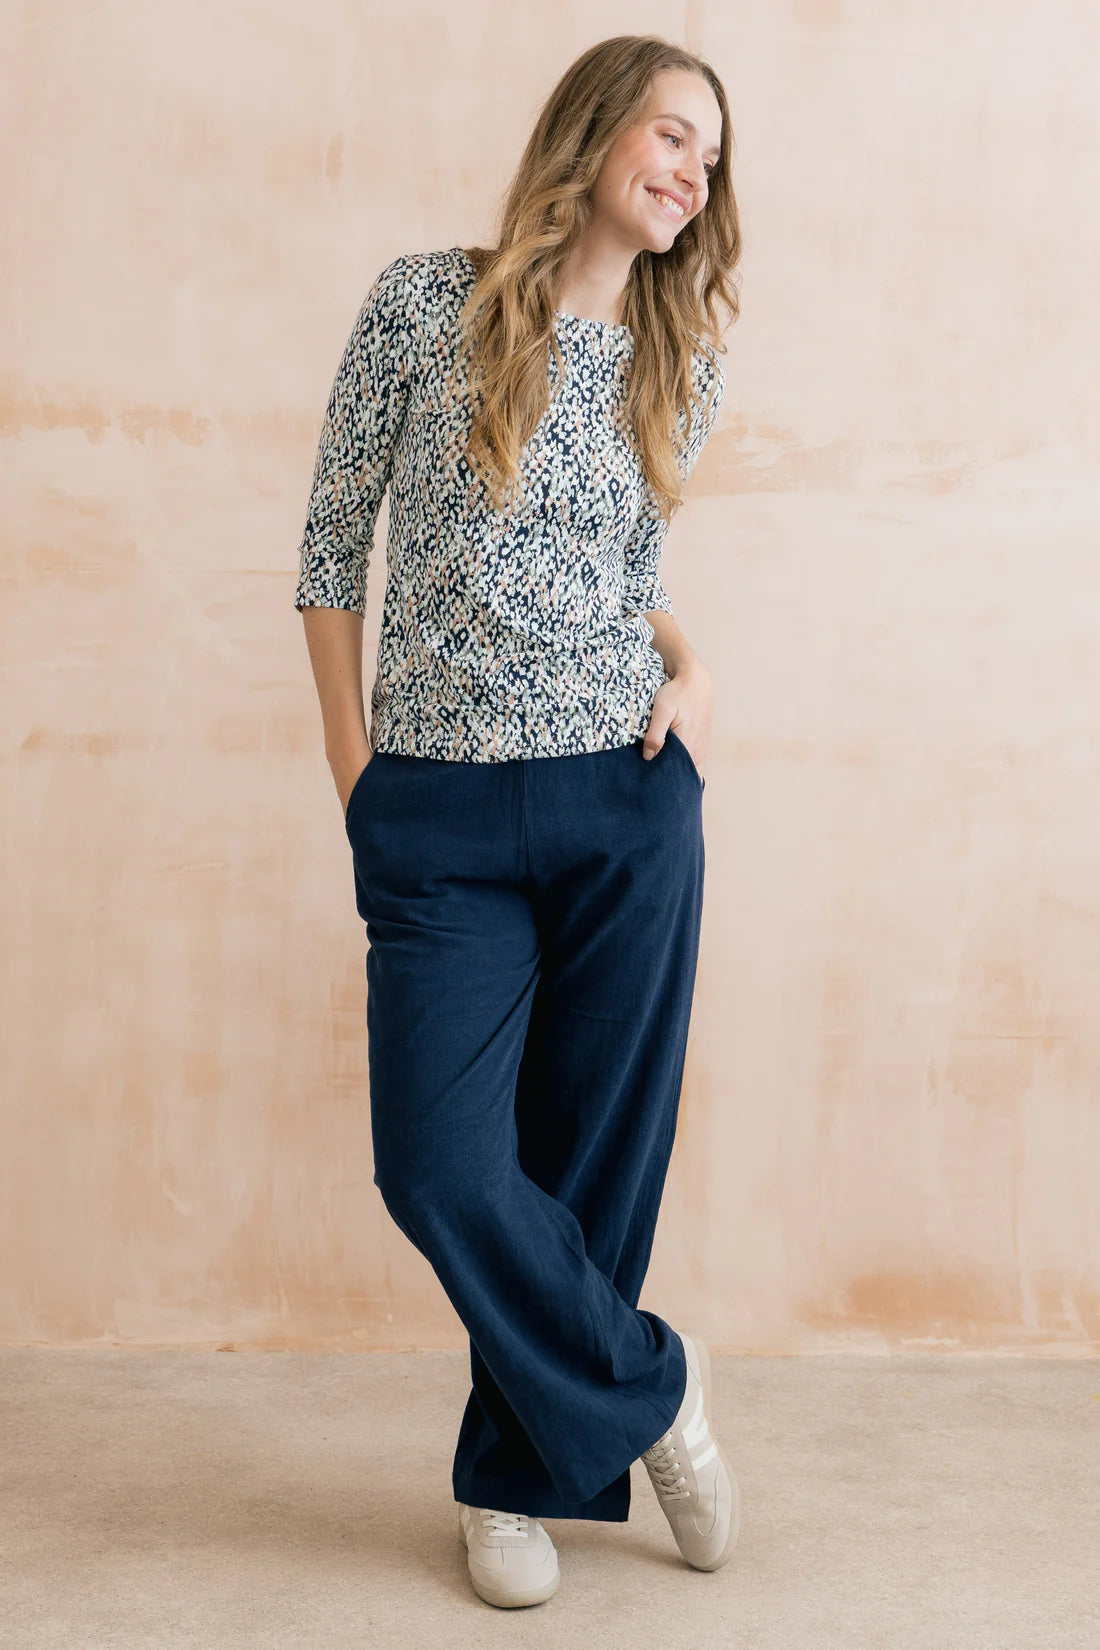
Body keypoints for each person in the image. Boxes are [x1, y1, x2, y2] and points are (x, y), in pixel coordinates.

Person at [295, 33, 743, 1609]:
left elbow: (623, 580)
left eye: (710, 157)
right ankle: (652, 1384)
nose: (691, 172)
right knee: (438, 1161)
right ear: (597, 126)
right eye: (672, 134)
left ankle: (509, 1476)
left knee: (590, 1154)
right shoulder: (428, 304)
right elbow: (331, 546)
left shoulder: (680, 358)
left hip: (625, 794)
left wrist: (692, 663)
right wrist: (356, 772)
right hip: (436, 808)